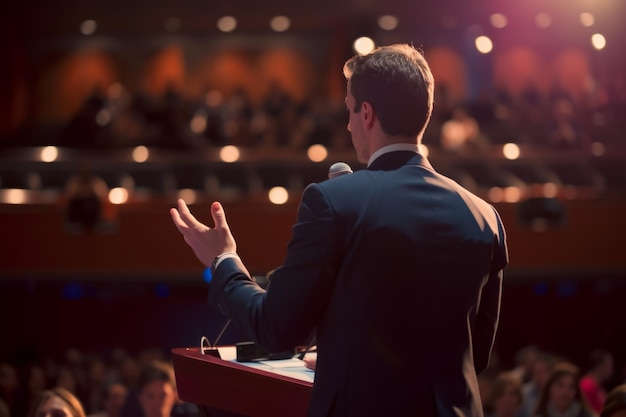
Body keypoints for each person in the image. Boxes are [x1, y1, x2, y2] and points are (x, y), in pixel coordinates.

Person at [170, 43, 509, 416]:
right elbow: (474, 354)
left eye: (349, 111)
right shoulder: (485, 216)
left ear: (366, 113)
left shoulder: (332, 202)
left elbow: (277, 327)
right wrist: (341, 357)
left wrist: (223, 260)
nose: (348, 124)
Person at [581, 350, 615, 414]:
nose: (612, 368)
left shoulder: (596, 386)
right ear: (599, 366)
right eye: (609, 365)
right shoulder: (587, 386)